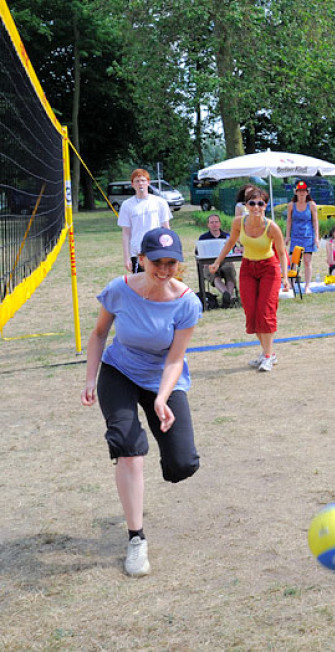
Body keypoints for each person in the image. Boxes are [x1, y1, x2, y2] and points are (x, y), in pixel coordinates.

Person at [81, 227, 202, 577]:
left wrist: (162, 399)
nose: (164, 270)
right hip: (119, 371)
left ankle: (168, 455)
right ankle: (136, 539)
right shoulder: (120, 289)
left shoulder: (187, 303)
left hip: (161, 377)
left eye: (171, 263)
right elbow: (100, 333)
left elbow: (175, 360)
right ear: (142, 259)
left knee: (182, 464)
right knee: (129, 447)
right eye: (156, 263)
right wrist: (91, 378)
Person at [208, 186, 289, 372]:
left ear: (265, 206)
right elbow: (229, 243)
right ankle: (268, 352)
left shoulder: (272, 227)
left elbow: (282, 253)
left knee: (265, 312)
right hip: (248, 268)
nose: (256, 207)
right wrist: (217, 262)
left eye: (260, 203)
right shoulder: (239, 223)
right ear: (246, 205)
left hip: (269, 269)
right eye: (252, 203)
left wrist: (285, 276)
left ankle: (268, 356)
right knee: (251, 313)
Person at [117, 168, 171, 273]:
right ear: (132, 184)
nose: (140, 184)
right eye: (137, 181)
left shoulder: (160, 202)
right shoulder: (127, 205)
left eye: (143, 180)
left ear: (148, 182)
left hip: (157, 249)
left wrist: (169, 250)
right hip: (137, 253)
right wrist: (126, 257)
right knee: (141, 285)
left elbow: (166, 228)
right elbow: (126, 233)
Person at [285, 181, 320, 291]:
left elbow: (315, 222)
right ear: (296, 192)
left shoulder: (311, 205)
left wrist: (316, 237)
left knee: (307, 261)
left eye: (303, 191)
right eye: (299, 191)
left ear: (307, 192)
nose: (301, 193)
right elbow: (289, 221)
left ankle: (307, 286)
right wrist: (287, 236)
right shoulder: (291, 205)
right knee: (293, 261)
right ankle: (291, 284)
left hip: (307, 236)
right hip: (295, 236)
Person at [197, 214, 238, 308]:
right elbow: (198, 252)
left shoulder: (227, 237)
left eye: (216, 222)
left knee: (229, 271)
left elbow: (234, 249)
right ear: (208, 225)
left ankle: (227, 297)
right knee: (214, 274)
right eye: (212, 222)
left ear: (220, 224)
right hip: (210, 264)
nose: (214, 224)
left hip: (226, 262)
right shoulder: (203, 238)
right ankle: (229, 296)